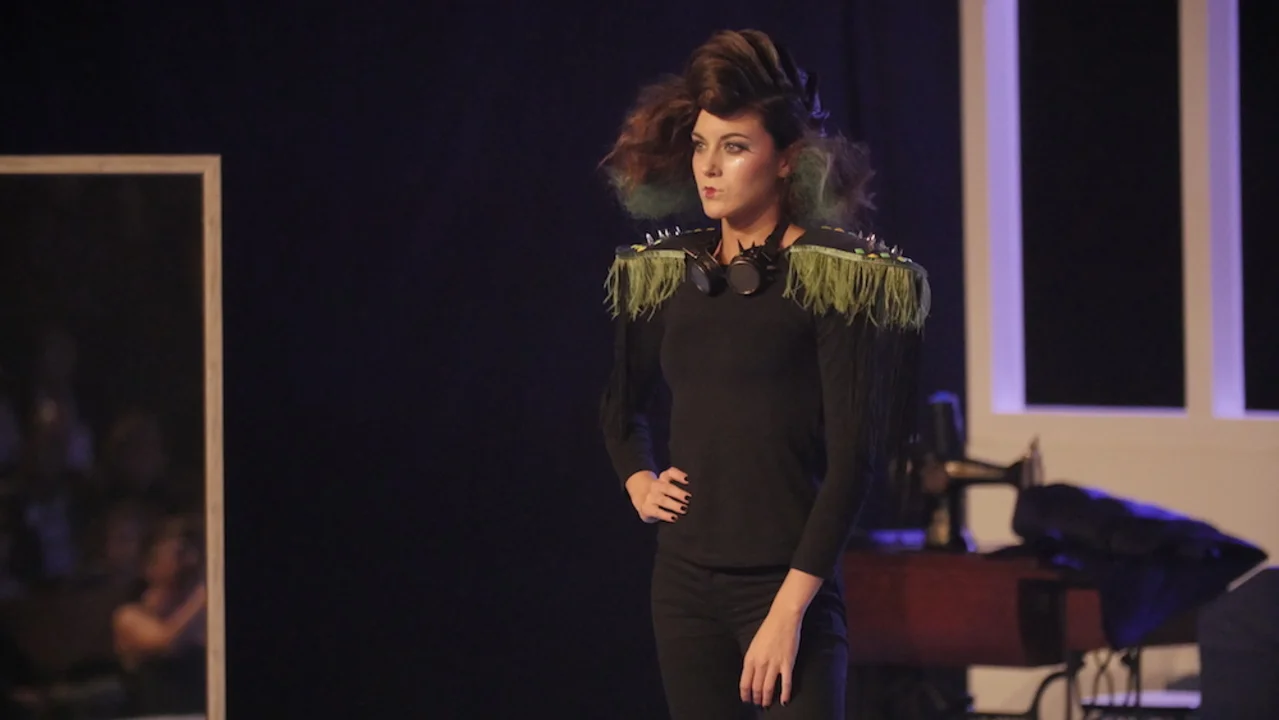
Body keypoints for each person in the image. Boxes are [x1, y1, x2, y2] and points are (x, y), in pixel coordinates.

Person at [598, 29, 930, 719]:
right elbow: (619, 406)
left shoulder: (833, 278)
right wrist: (639, 481)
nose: (708, 167)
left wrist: (785, 615)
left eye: (734, 147)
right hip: (684, 589)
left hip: (788, 588)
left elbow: (853, 464)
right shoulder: (666, 273)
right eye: (700, 145)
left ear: (786, 161)